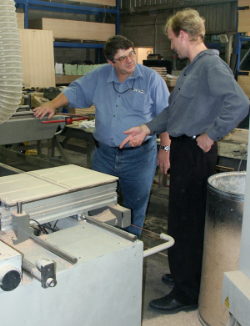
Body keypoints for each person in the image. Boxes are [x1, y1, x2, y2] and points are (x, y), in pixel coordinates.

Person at [120, 9, 249, 312]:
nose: (171, 47)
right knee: (184, 218)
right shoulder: (193, 67)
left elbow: (240, 103)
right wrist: (147, 127)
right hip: (183, 149)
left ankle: (187, 293)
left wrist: (211, 135)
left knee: (186, 222)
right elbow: (173, 113)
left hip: (194, 152)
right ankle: (184, 274)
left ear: (182, 34)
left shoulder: (209, 66)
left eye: (170, 39)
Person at [33, 35, 170, 236]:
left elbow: (166, 115)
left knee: (135, 208)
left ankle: (130, 247)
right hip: (104, 155)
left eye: (131, 53)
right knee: (99, 205)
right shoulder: (99, 77)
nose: (130, 60)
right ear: (110, 62)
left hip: (139, 157)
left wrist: (165, 149)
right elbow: (75, 90)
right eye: (122, 58)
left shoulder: (151, 80)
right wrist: (52, 104)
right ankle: (104, 244)